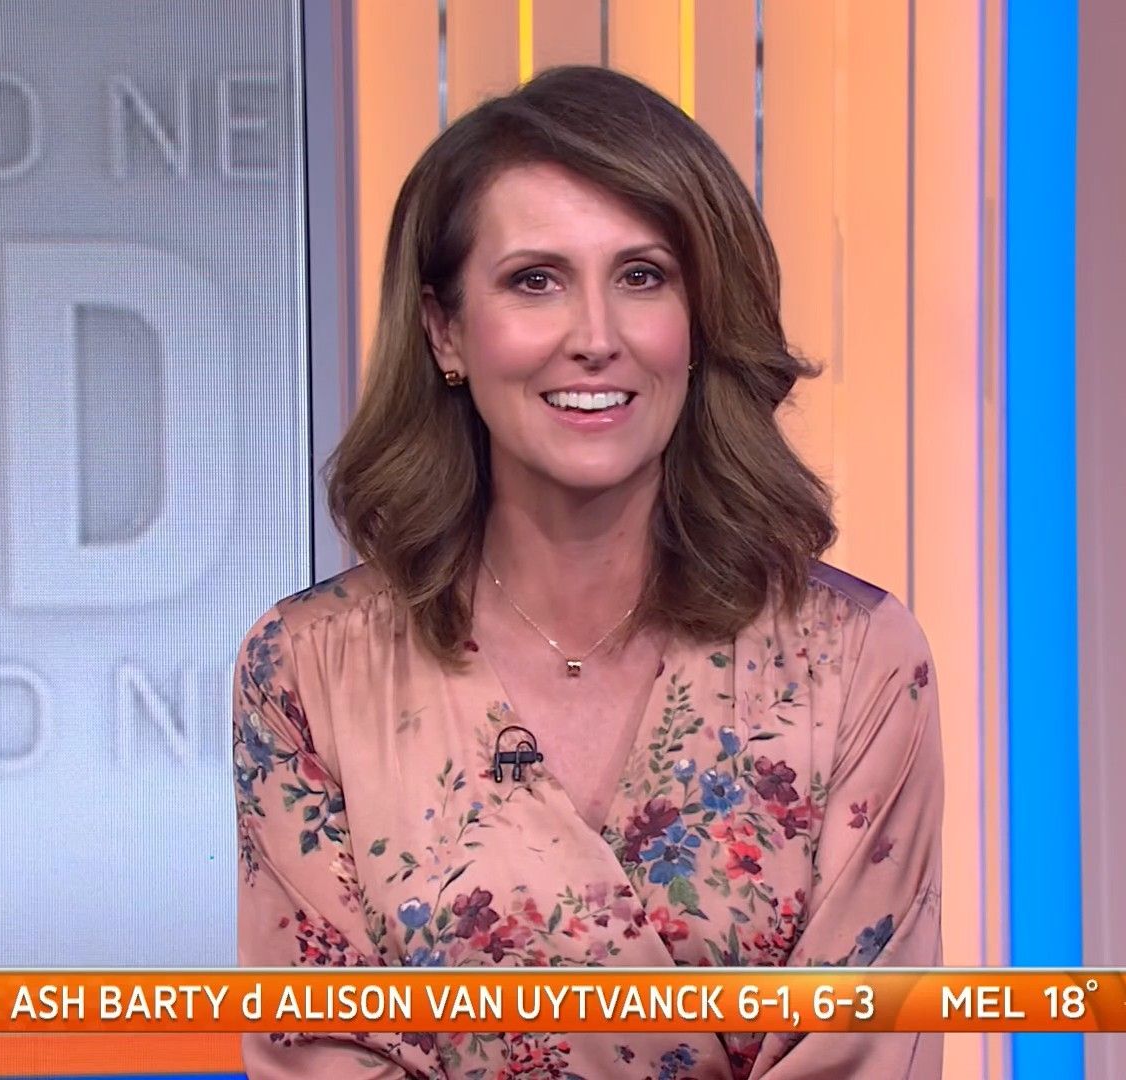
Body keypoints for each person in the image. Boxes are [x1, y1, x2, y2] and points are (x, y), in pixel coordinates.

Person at [235, 65, 943, 1079]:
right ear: (445, 330)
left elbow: (861, 1055)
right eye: (536, 280)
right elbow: (324, 1050)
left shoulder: (856, 664)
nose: (597, 339)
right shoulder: (308, 671)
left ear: (699, 322)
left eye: (642, 277)